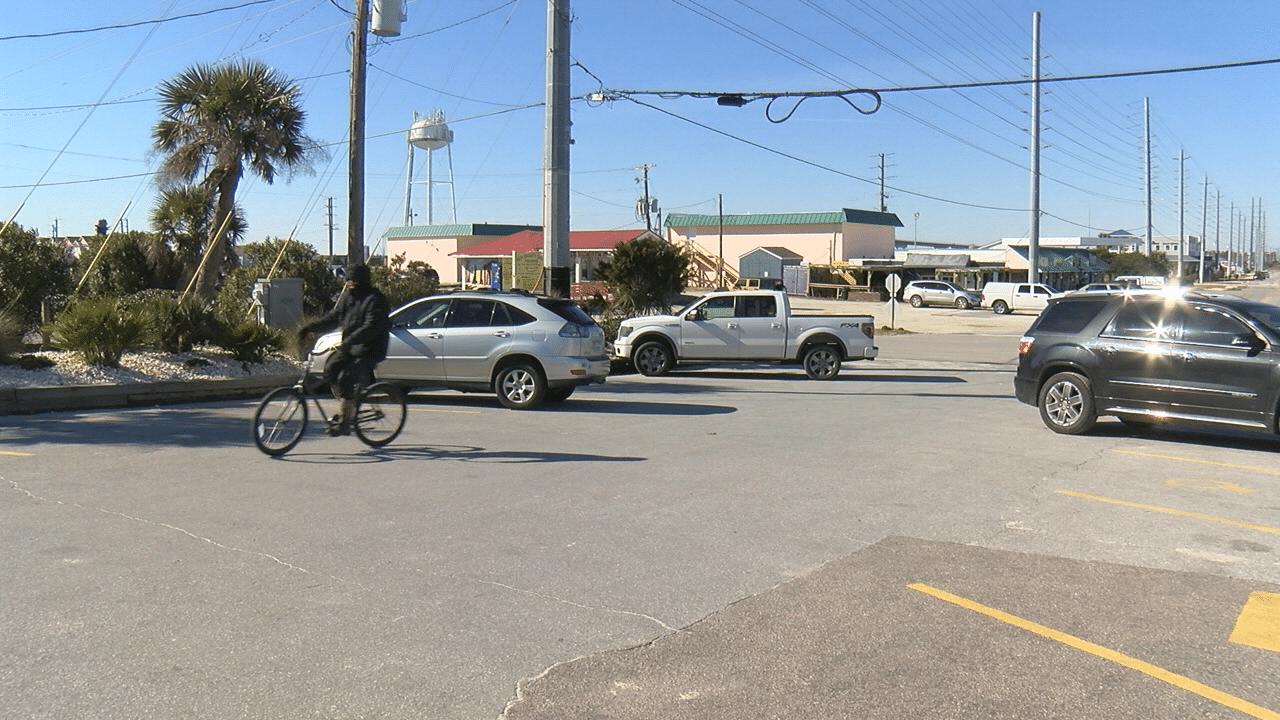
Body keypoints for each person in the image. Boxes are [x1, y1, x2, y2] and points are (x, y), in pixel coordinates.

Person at [298, 264, 391, 435]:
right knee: (331, 370)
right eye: (347, 280)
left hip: (370, 349)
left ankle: (345, 421)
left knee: (346, 378)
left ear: (362, 280)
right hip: (350, 346)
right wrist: (310, 328)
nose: (349, 284)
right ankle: (347, 405)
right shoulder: (349, 298)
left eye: (353, 280)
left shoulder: (375, 299)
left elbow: (371, 327)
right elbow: (334, 318)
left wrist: (349, 341)